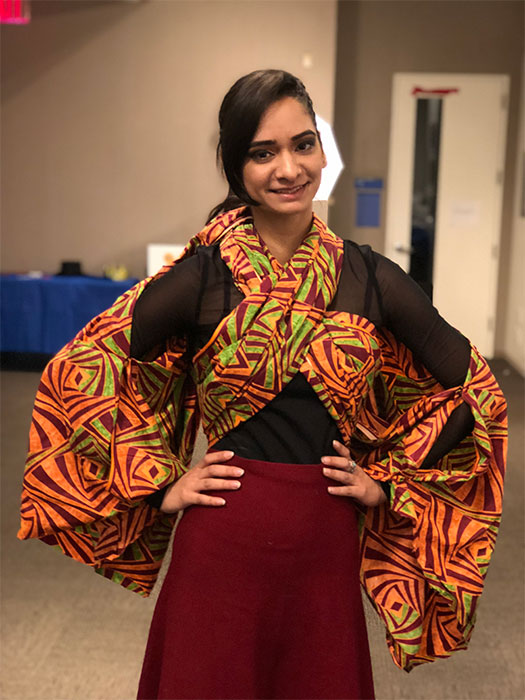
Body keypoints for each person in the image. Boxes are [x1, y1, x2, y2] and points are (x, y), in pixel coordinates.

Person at [18, 70, 507, 700]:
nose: (288, 168)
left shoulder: (371, 278)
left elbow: (477, 392)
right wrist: (161, 480)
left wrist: (387, 478)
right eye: (263, 152)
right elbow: (77, 373)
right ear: (236, 167)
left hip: (323, 540)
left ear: (323, 153)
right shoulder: (203, 278)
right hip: (222, 540)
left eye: (303, 145)